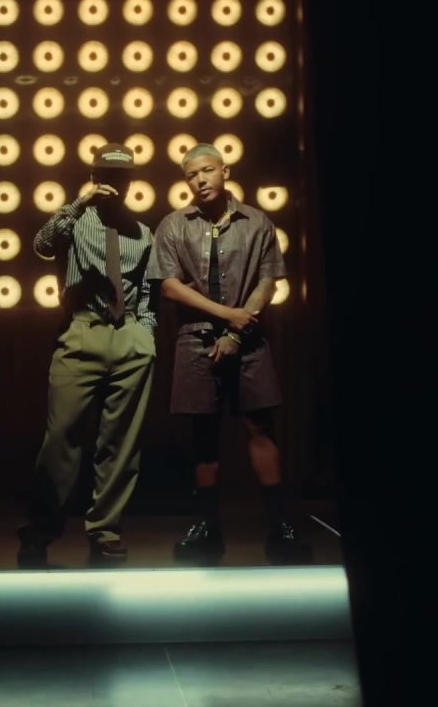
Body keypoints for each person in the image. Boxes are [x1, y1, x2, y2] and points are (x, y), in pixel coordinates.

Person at [146, 143, 311, 565]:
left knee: (260, 428)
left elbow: (268, 280)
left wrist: (238, 329)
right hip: (195, 339)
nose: (199, 180)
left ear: (225, 170)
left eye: (206, 170)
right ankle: (207, 527)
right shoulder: (173, 225)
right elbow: (169, 285)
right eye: (191, 175)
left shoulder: (256, 221)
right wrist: (226, 316)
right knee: (203, 435)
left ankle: (279, 524)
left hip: (249, 339)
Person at [15, 143, 158, 568]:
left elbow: (147, 292)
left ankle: (106, 531)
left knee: (120, 443)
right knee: (61, 438)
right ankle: (40, 530)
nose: (115, 183)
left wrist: (144, 333)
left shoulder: (142, 232)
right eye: (107, 175)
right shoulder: (75, 221)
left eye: (122, 176)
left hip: (129, 336)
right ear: (95, 177)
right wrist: (81, 202)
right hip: (82, 329)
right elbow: (42, 243)